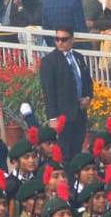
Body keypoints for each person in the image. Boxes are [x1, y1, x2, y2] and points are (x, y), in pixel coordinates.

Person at [39, 29, 91, 163]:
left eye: (64, 39)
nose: (60, 42)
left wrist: (88, 98)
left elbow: (87, 81)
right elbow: (48, 91)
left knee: (77, 151)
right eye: (57, 39)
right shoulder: (49, 61)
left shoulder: (78, 57)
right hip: (62, 116)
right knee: (64, 154)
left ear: (72, 39)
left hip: (79, 114)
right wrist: (53, 118)